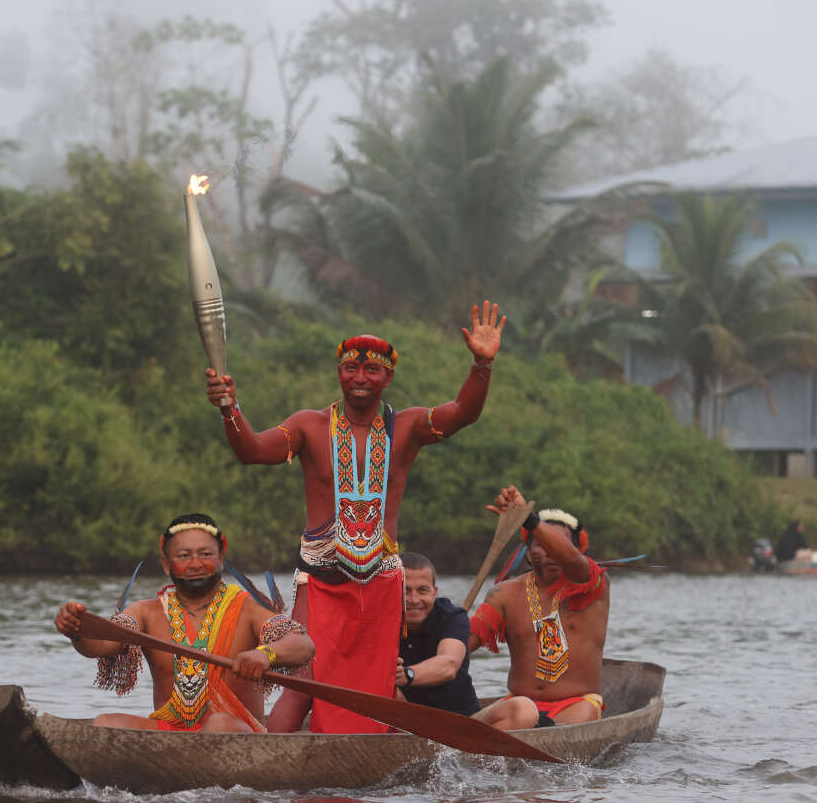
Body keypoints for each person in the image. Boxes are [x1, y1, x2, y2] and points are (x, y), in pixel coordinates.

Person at [204, 302, 507, 733]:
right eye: (350, 369)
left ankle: (360, 763)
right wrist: (229, 409)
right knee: (302, 676)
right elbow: (252, 451)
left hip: (382, 580)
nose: (360, 378)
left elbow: (463, 412)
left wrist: (481, 364)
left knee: (376, 681)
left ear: (388, 377)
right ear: (339, 373)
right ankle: (267, 762)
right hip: (320, 576)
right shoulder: (308, 426)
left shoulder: (408, 426)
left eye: (372, 371)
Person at [53, 513, 314, 732]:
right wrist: (76, 631)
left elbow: (302, 644)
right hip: (171, 732)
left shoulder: (248, 609)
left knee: (218, 725)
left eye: (205, 554)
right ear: (166, 565)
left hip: (235, 732)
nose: (195, 564)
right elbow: (103, 644)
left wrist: (266, 654)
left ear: (221, 558)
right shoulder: (146, 612)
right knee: (106, 723)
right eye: (183, 556)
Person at [467, 487, 609, 730]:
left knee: (582, 713)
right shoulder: (504, 593)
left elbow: (574, 562)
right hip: (519, 704)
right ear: (529, 551)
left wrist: (529, 519)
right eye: (540, 545)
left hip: (576, 705)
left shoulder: (592, 583)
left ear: (576, 550)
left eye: (559, 545)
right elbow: (465, 642)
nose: (549, 552)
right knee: (520, 712)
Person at [392, 553, 481, 716]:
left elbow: (448, 666)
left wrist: (406, 675)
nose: (413, 599)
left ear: (435, 592)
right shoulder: (381, 620)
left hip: (465, 721)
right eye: (405, 590)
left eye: (422, 590)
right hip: (409, 723)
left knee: (522, 708)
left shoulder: (453, 617)